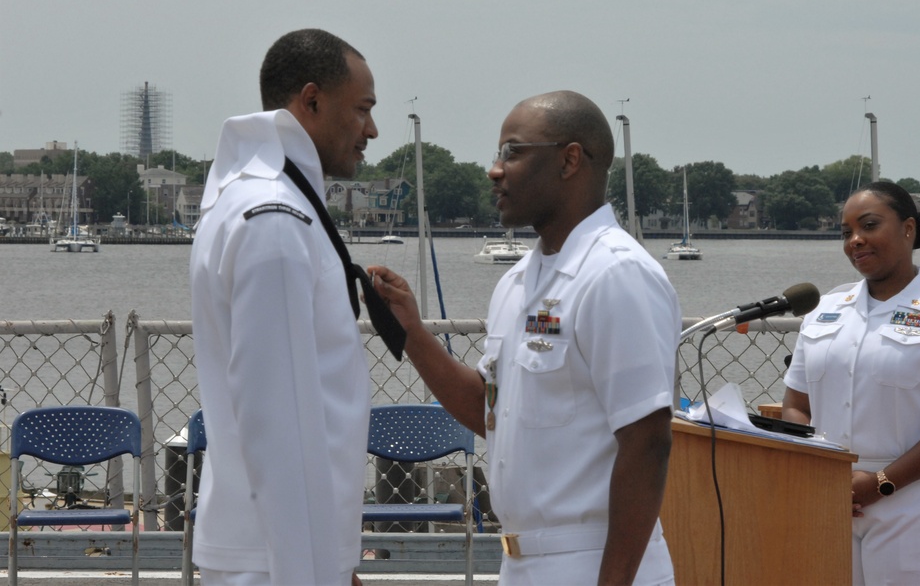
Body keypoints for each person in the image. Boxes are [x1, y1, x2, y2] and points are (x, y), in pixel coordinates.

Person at [370, 90, 680, 585]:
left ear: (569, 159)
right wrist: (411, 331)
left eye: (513, 152)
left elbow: (647, 441)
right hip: (519, 562)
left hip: (593, 560)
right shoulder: (517, 282)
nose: (495, 169)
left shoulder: (615, 274)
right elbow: (490, 412)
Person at [189, 29, 378, 586]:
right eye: (362, 109)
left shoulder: (250, 201)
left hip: (269, 549)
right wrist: (313, 571)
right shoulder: (274, 219)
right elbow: (280, 424)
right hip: (277, 559)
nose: (371, 130)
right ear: (312, 101)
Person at [782, 181, 920, 585]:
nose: (855, 241)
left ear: (908, 229)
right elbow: (797, 405)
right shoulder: (825, 310)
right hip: (831, 500)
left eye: (869, 225)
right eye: (846, 233)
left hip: (913, 505)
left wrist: (880, 484)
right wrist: (822, 475)